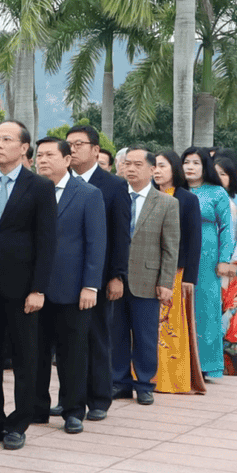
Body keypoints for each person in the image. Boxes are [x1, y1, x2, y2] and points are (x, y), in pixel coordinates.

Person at [0, 120, 57, 450]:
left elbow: (47, 242)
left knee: (24, 357)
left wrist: (39, 289)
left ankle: (19, 423)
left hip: (21, 288)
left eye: (6, 139)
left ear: (23, 148)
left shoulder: (40, 187)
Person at [32, 137, 104, 434]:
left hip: (73, 288)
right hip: (34, 289)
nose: (43, 160)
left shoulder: (88, 194)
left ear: (67, 159)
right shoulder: (31, 191)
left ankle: (73, 409)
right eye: (39, 155)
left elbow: (95, 242)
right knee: (34, 352)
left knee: (72, 353)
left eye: (50, 155)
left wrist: (90, 285)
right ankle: (35, 407)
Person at [63, 125, 130, 422]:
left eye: (79, 144)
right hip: (66, 278)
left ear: (95, 150)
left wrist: (117, 275)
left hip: (100, 276)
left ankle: (100, 397)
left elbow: (120, 235)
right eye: (69, 144)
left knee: (98, 336)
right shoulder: (59, 182)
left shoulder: (113, 185)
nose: (73, 149)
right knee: (69, 342)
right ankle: (70, 398)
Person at [113, 148, 180, 405]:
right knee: (116, 332)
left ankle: (144, 383)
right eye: (127, 163)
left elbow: (170, 247)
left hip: (148, 279)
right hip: (118, 279)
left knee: (145, 334)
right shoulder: (114, 197)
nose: (131, 169)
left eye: (137, 164)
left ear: (152, 170)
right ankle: (118, 382)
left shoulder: (166, 203)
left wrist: (165, 283)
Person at [151, 151, 204, 394]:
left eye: (162, 165)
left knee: (170, 324)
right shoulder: (147, 195)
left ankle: (171, 379)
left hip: (176, 270)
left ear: (174, 169)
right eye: (154, 166)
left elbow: (194, 241)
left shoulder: (187, 199)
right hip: (147, 269)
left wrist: (190, 277)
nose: (157, 170)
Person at [182, 147, 233, 379]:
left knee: (206, 307)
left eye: (195, 163)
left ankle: (206, 364)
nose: (190, 167)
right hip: (179, 253)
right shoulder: (175, 191)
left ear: (205, 167)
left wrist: (224, 260)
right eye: (186, 162)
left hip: (207, 256)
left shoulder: (216, 193)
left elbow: (226, 229)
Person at [215, 158, 237, 375]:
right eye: (215, 173)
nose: (219, 178)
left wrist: (234, 262)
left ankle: (229, 364)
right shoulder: (202, 198)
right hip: (207, 264)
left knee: (232, 313)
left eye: (224, 174)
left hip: (232, 268)